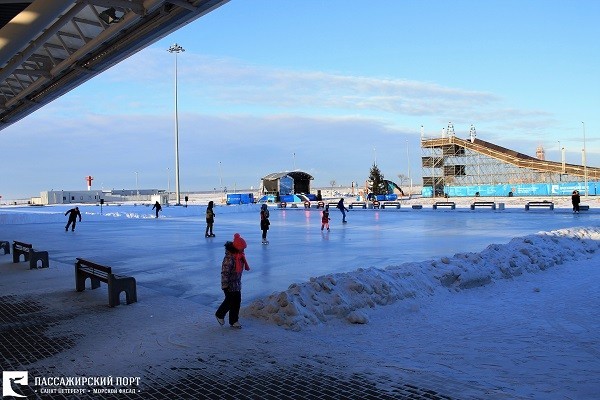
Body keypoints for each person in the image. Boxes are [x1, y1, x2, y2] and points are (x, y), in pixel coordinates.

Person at [215, 233, 250, 329]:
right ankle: (219, 314)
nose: (243, 250)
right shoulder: (230, 257)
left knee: (237, 302)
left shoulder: (239, 256)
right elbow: (225, 272)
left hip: (236, 284)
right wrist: (225, 285)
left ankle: (234, 320)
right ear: (237, 247)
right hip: (229, 284)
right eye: (242, 248)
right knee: (229, 301)